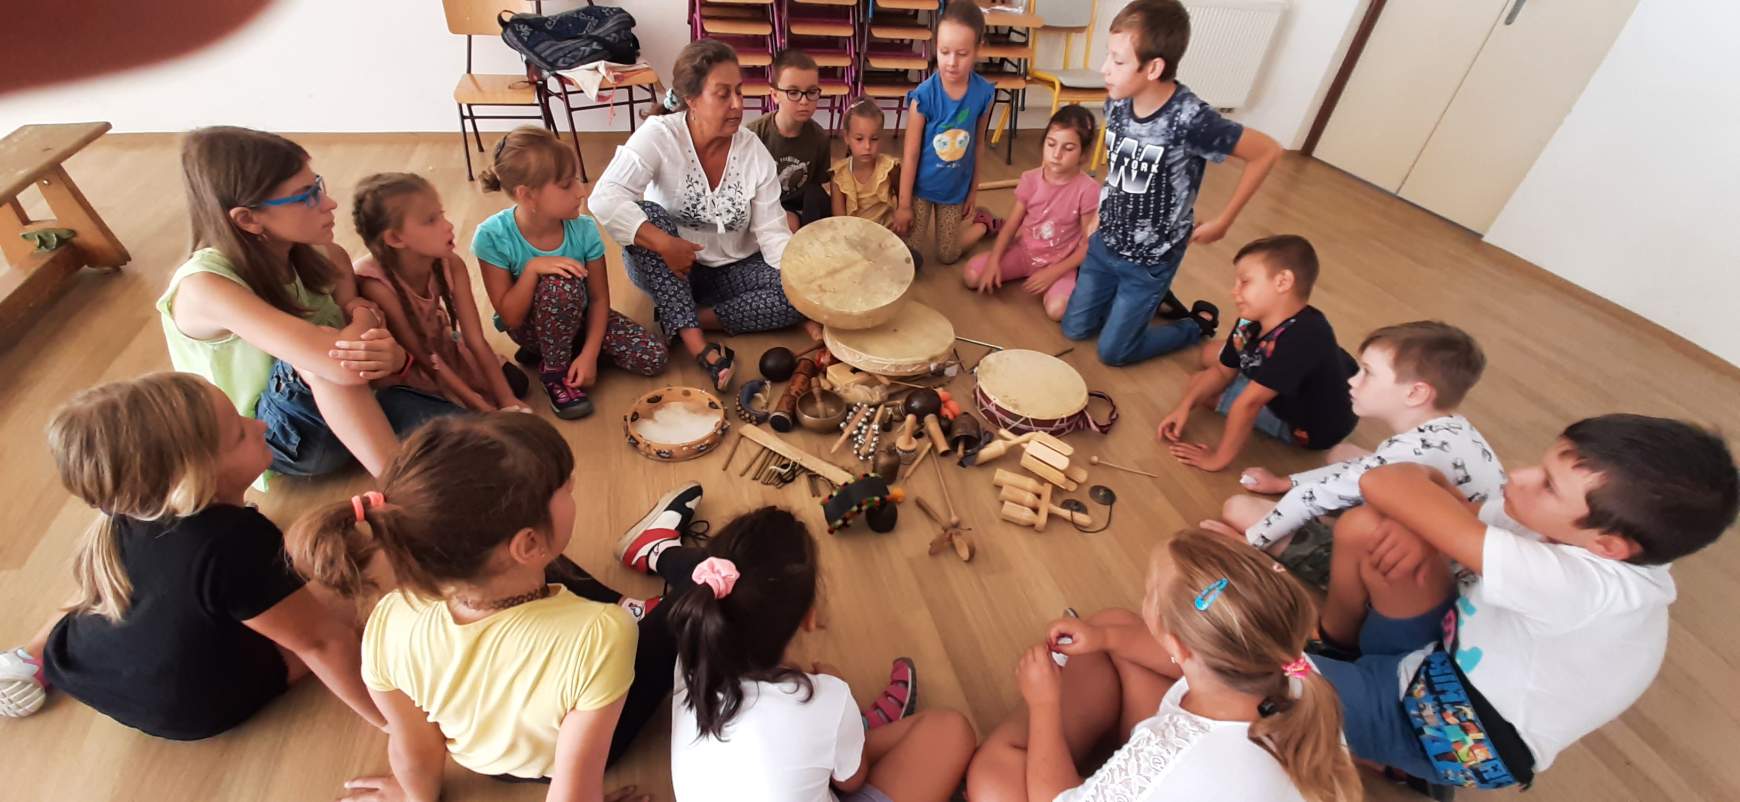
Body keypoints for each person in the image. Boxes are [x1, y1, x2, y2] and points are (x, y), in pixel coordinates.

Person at [290, 416, 714, 801]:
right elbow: (572, 791)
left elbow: (414, 744)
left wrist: (414, 797)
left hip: (490, 762)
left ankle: (643, 587)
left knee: (541, 564)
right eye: (565, 486)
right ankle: (659, 552)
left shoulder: (388, 616)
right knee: (712, 577)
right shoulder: (602, 632)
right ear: (525, 543)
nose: (571, 489)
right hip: (565, 755)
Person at [1312, 415, 1737, 793]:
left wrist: (1420, 492)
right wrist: (1424, 512)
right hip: (1438, 662)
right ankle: (1335, 651)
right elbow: (1444, 508)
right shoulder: (1578, 533)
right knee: (1373, 527)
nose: (1519, 476)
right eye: (1543, 465)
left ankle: (1394, 755)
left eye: (1549, 486)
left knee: (1251, 679)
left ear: (1607, 545)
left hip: (1453, 732)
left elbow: (1382, 482)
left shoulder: (1586, 587)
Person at [0, 373, 384, 737]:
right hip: (195, 706)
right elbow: (320, 643)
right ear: (195, 478)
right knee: (368, 576)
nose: (260, 426)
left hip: (85, 668)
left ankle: (32, 661)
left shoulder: (130, 508)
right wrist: (391, 726)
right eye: (239, 435)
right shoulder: (234, 539)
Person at [158, 126, 460, 483]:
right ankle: (400, 489)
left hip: (355, 401)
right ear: (247, 219)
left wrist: (383, 346)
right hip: (275, 438)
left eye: (318, 186)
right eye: (305, 196)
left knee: (478, 435)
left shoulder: (329, 256)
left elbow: (366, 338)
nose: (328, 203)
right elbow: (342, 362)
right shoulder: (204, 287)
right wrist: (363, 316)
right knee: (318, 359)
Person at [966, 529, 1361, 802]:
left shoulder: (1177, 752)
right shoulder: (1285, 657)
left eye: (1150, 591)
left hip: (1187, 773)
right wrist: (1106, 639)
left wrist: (1044, 703)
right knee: (1112, 626)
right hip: (1217, 769)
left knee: (994, 777)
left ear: (1177, 645)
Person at [659, 506, 976, 801]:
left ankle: (843, 738)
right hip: (826, 741)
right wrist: (835, 694)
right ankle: (850, 733)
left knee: (821, 742)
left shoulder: (691, 658)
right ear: (810, 617)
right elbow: (850, 782)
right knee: (952, 730)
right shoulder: (825, 697)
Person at [1061, 0, 1283, 367]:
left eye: (1117, 61)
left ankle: (1193, 324)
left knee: (1113, 353)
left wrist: (1224, 221)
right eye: (1108, 56)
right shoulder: (1118, 100)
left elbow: (1268, 152)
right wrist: (1102, 209)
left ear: (1154, 67)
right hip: (1105, 245)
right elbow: (1121, 163)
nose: (1104, 69)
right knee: (1074, 330)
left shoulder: (1192, 119)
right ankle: (1147, 303)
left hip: (1151, 260)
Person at [591, 39, 814, 392]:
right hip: (666, 268)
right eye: (723, 94)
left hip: (729, 270)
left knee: (796, 297)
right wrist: (665, 244)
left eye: (740, 92)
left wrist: (808, 284)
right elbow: (603, 199)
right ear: (692, 99)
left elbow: (773, 234)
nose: (738, 105)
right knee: (647, 212)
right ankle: (696, 342)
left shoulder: (754, 153)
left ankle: (679, 320)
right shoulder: (659, 136)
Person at [1204, 322, 1503, 584]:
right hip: (1446, 546)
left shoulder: (1407, 453)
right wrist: (1286, 482)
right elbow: (1364, 469)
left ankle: (1330, 533)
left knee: (1239, 509)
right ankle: (1336, 522)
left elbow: (1310, 500)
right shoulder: (1455, 429)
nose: (1353, 380)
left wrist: (1247, 543)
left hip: (1417, 577)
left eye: (1368, 373)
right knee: (1343, 453)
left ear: (1415, 393)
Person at [473, 126, 668, 419]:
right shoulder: (491, 236)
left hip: (580, 319)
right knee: (559, 286)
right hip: (530, 324)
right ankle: (554, 372)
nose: (581, 190)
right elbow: (511, 317)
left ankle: (560, 351)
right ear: (527, 196)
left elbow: (600, 300)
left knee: (653, 357)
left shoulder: (585, 229)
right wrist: (533, 269)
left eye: (576, 179)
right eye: (566, 185)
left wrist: (589, 355)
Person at [1159, 235, 1357, 472]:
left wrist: (1216, 460)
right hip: (1321, 377)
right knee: (1209, 356)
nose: (1234, 291)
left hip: (1313, 427)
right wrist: (1184, 406)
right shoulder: (1251, 319)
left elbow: (1248, 405)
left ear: (1282, 282)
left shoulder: (1305, 336)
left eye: (1244, 282)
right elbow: (1223, 371)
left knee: (1198, 383)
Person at [351, 172, 531, 414]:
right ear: (394, 238)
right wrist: (483, 408)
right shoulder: (376, 286)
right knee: (461, 417)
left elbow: (476, 340)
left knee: (516, 384)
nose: (448, 226)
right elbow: (425, 359)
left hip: (445, 349)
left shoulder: (451, 263)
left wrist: (507, 399)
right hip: (414, 367)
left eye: (441, 214)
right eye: (430, 220)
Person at [963, 105, 1101, 321]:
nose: (1056, 154)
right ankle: (987, 224)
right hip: (1025, 254)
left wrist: (1053, 273)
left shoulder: (1088, 189)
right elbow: (1010, 227)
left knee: (1058, 310)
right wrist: (993, 262)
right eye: (1051, 144)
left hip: (1060, 263)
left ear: (1083, 154)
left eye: (1068, 148)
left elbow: (1089, 244)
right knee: (972, 276)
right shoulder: (1030, 179)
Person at [892, 1, 999, 266]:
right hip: (920, 190)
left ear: (978, 49)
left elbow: (979, 145)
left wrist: (973, 192)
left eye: (962, 53)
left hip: (955, 190)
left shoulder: (984, 94)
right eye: (944, 51)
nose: (951, 62)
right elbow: (911, 152)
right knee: (909, 256)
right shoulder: (924, 97)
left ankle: (984, 225)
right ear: (935, 47)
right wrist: (904, 205)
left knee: (947, 255)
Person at [749, 50, 834, 231]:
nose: (804, 101)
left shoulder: (820, 138)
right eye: (793, 92)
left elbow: (817, 188)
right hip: (761, 206)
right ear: (774, 94)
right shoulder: (754, 135)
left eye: (811, 92)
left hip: (798, 208)